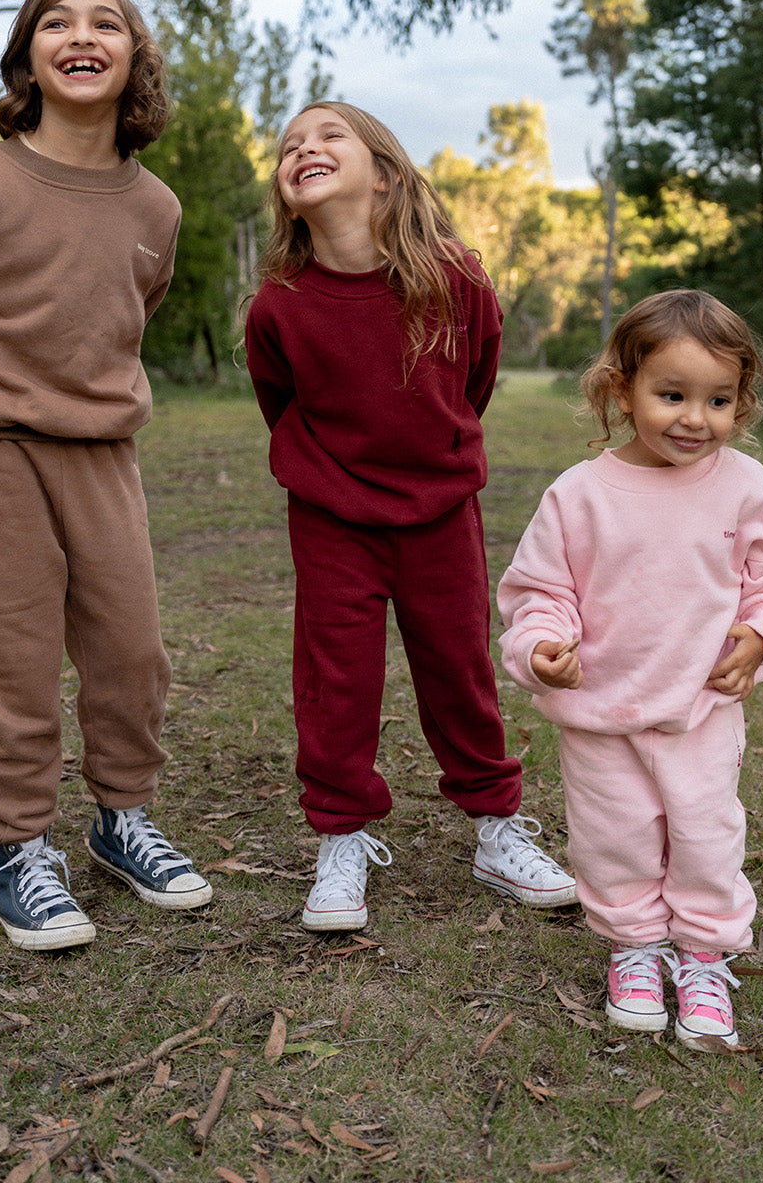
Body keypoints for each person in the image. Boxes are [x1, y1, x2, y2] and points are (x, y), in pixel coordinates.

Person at [0, 0, 212, 952]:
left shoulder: (154, 207)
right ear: (30, 54)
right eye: (56, 22)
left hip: (102, 454)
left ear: (133, 58)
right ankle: (20, 847)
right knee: (12, 659)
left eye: (105, 23)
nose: (80, 35)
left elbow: (125, 317)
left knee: (132, 651)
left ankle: (122, 820)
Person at [243, 100, 576, 931]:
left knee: (460, 671)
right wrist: (335, 473)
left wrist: (432, 461)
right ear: (287, 193)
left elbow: (476, 378)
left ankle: (498, 830)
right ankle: (341, 839)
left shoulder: (455, 278)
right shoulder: (278, 306)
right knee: (336, 681)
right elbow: (278, 400)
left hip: (438, 512)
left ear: (384, 174)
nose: (305, 149)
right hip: (332, 518)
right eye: (291, 146)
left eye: (329, 137)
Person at [497, 289, 763, 1047]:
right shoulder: (579, 496)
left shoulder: (744, 487)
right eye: (671, 395)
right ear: (621, 390)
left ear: (743, 403)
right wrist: (540, 650)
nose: (694, 419)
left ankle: (703, 954)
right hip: (602, 715)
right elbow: (540, 595)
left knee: (707, 834)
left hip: (701, 709)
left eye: (719, 400)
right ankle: (635, 948)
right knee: (616, 839)